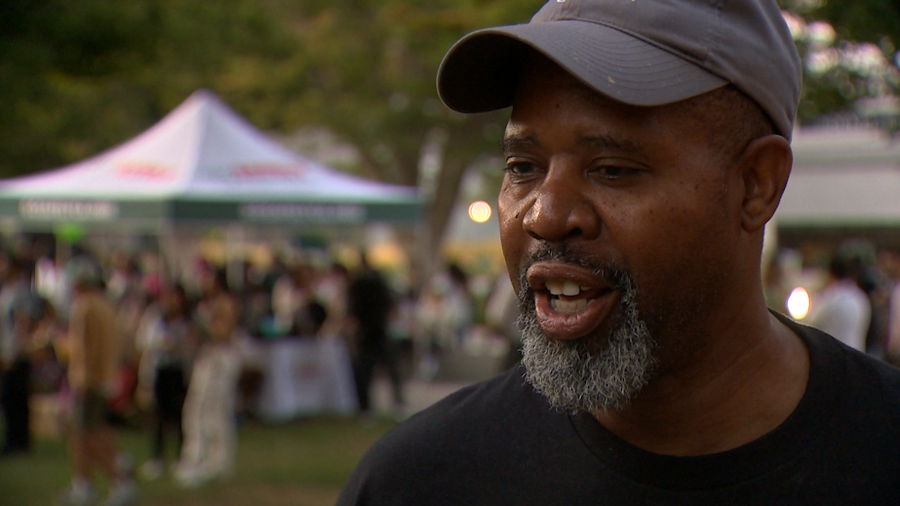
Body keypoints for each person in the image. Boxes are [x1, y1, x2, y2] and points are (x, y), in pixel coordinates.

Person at [336, 1, 900, 504]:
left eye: (612, 169)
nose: (545, 215)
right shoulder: (419, 481)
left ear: (756, 185)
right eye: (522, 168)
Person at [57, 257, 137, 506]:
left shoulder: (84, 308)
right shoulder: (105, 306)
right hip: (104, 377)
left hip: (88, 379)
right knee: (92, 430)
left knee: (85, 433)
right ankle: (91, 481)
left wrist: (65, 353)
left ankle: (108, 483)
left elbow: (82, 348)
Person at [346, 251, 404, 416]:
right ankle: (396, 401)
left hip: (368, 331)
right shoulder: (377, 282)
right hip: (378, 328)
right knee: (388, 368)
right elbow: (390, 304)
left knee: (366, 370)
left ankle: (365, 405)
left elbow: (352, 309)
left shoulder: (359, 284)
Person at [806, 253, 872, 353]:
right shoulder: (860, 297)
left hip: (833, 357)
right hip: (857, 356)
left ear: (829, 273)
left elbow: (810, 323)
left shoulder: (829, 297)